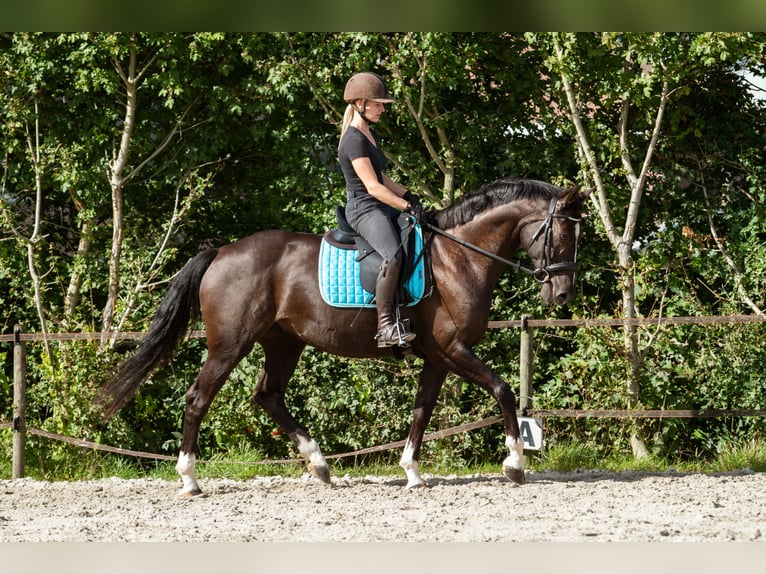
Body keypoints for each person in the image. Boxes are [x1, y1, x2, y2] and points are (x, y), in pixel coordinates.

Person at [337, 72, 425, 348]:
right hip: (364, 209)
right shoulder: (353, 140)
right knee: (393, 254)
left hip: (379, 203)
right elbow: (373, 187)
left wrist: (408, 195)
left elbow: (383, 178)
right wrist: (405, 206)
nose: (383, 108)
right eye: (379, 103)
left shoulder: (369, 134)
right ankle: (385, 326)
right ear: (361, 103)